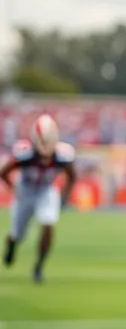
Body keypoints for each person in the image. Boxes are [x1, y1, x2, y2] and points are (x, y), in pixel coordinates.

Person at [1, 114, 77, 283]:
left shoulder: (63, 155)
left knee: (48, 223)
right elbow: (4, 172)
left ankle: (38, 267)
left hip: (46, 190)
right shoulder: (25, 153)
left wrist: (65, 196)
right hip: (25, 190)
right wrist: (14, 188)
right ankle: (12, 245)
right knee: (18, 234)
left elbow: (71, 176)